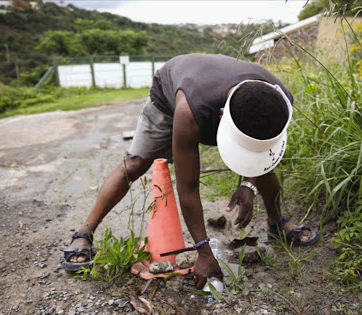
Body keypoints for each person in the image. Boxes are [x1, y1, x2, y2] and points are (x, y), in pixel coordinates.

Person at [60, 53, 319, 289]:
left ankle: (277, 224)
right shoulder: (190, 111)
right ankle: (84, 232)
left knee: (265, 173)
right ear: (221, 117)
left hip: (207, 89)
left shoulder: (280, 102)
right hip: (171, 96)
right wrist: (203, 253)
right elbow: (188, 187)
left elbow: (264, 155)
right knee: (136, 164)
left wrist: (248, 183)